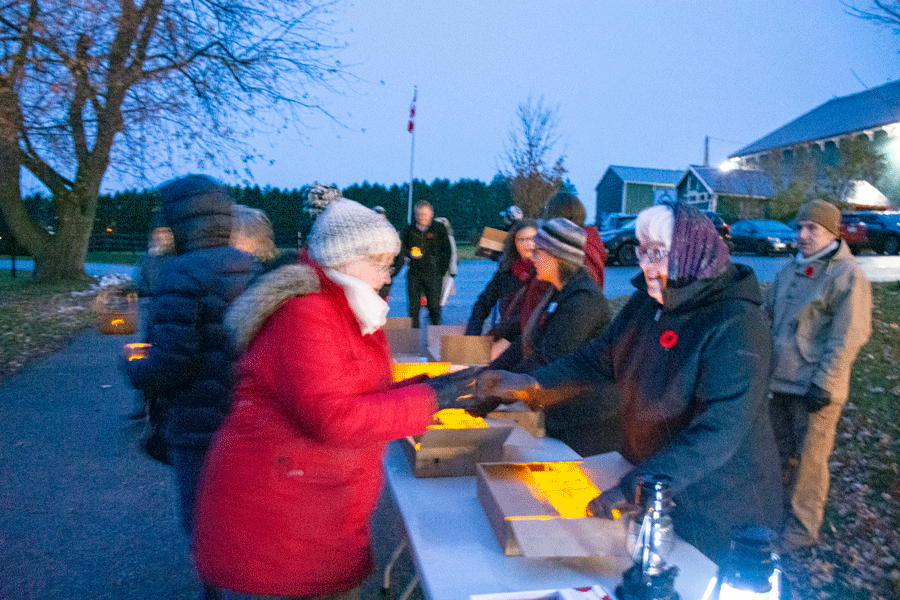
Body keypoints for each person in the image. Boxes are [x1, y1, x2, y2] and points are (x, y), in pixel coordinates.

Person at [192, 198, 476, 599]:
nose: (387, 275)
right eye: (380, 263)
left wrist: (437, 388)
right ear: (345, 260)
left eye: (390, 264)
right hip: (283, 521)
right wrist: (431, 399)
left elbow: (359, 393)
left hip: (314, 508)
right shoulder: (307, 313)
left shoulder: (345, 308)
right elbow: (333, 416)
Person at [469, 202, 783, 564]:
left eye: (659, 253)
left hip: (719, 505)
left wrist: (641, 484)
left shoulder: (737, 323)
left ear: (693, 252)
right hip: (657, 489)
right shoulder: (647, 303)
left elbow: (719, 431)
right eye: (642, 251)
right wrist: (531, 384)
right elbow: (597, 359)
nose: (646, 264)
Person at [123, 174, 259, 540]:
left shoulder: (179, 274)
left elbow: (171, 364)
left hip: (198, 424)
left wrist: (134, 366)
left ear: (180, 221)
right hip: (246, 415)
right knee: (244, 515)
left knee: (202, 519)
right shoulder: (250, 267)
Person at [766, 199, 872, 551]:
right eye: (799, 227)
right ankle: (772, 517)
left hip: (815, 388)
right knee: (776, 455)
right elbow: (767, 317)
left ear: (832, 233)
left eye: (812, 228)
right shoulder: (789, 270)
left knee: (810, 465)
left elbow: (850, 334)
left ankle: (801, 530)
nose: (802, 235)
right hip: (779, 382)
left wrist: (825, 382)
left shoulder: (847, 276)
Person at [486, 218, 613, 457]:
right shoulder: (556, 291)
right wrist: (487, 374)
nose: (532, 258)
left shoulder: (583, 300)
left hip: (586, 421)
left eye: (538, 251)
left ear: (557, 257)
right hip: (561, 411)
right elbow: (527, 343)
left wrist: (492, 393)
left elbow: (547, 357)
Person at [464, 218, 538, 336]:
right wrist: (472, 333)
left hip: (531, 338)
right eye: (521, 239)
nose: (527, 244)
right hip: (507, 337)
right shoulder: (506, 271)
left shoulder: (546, 272)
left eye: (531, 239)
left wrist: (499, 332)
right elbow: (483, 303)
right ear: (514, 242)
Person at [400, 200, 452, 327]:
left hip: (434, 273)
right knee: (413, 307)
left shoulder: (439, 229)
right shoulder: (409, 229)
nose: (421, 217)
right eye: (418, 214)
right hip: (415, 273)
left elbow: (447, 250)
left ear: (431, 214)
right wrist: (409, 253)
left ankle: (435, 330)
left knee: (434, 306)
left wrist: (441, 271)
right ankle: (413, 334)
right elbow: (402, 248)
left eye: (424, 214)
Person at [434, 216, 457, 306]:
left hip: (444, 270)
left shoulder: (449, 238)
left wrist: (453, 270)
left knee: (442, 292)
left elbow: (453, 254)